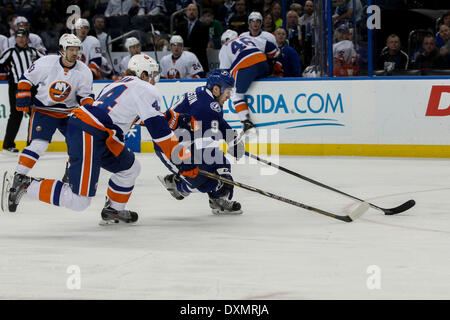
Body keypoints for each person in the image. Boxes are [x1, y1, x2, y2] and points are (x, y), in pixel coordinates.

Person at [4, 54, 196, 223]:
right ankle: (27, 185)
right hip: (90, 133)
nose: (155, 79)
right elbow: (160, 134)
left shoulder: (119, 83)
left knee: (130, 168)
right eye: (153, 74)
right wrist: (185, 161)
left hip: (95, 132)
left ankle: (114, 209)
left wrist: (178, 120)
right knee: (79, 200)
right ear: (143, 74)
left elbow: (139, 117)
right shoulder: (146, 89)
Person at [4, 33, 94, 212]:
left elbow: (85, 96)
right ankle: (18, 178)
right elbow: (25, 79)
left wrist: (89, 109)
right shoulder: (46, 62)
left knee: (79, 144)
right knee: (39, 145)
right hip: (44, 110)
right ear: (62, 50)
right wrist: (23, 96)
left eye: (77, 49)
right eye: (71, 49)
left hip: (69, 112)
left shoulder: (84, 71)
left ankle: (71, 174)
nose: (75, 53)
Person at [156, 69, 244, 215]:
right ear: (216, 89)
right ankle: (177, 185)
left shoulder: (206, 95)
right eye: (228, 91)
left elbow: (217, 122)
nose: (229, 96)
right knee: (206, 181)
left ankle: (217, 199)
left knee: (223, 170)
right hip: (169, 146)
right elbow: (204, 140)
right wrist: (229, 145)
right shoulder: (206, 106)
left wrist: (231, 138)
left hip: (189, 140)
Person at [219, 29, 278, 132]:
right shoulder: (246, 38)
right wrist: (272, 61)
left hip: (245, 66)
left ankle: (246, 121)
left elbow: (225, 72)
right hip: (262, 63)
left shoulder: (225, 47)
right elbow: (273, 50)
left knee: (235, 94)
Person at [0, 28, 45, 154]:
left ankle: (31, 143)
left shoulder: (34, 52)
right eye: (18, 37)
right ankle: (8, 144)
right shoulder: (10, 52)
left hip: (32, 88)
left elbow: (47, 61)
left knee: (34, 114)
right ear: (16, 38)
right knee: (16, 114)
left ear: (27, 38)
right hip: (16, 87)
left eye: (23, 36)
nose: (20, 39)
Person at [174, 3, 210, 73]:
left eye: (194, 10)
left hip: (198, 60)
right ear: (186, 12)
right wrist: (181, 48)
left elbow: (203, 45)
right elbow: (176, 39)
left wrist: (188, 50)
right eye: (189, 10)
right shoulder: (180, 25)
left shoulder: (204, 26)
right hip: (182, 60)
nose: (191, 12)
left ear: (197, 13)